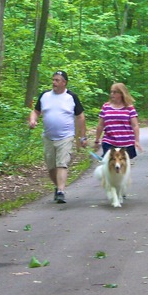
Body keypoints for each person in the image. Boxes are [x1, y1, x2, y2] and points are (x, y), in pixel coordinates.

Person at [28, 70, 87, 204]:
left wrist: (82, 137)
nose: (54, 83)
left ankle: (61, 191)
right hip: (48, 137)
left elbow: (80, 117)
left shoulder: (71, 97)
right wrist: (33, 120)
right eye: (53, 80)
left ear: (64, 83)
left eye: (57, 80)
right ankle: (57, 186)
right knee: (51, 167)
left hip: (66, 137)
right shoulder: (45, 96)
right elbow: (36, 111)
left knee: (62, 163)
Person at [93, 82, 142, 160]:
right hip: (109, 141)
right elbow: (101, 125)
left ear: (121, 94)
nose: (112, 94)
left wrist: (137, 141)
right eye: (111, 92)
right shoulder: (106, 106)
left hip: (126, 143)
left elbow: (135, 125)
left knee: (122, 168)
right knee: (109, 166)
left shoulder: (129, 108)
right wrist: (97, 140)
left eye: (115, 92)